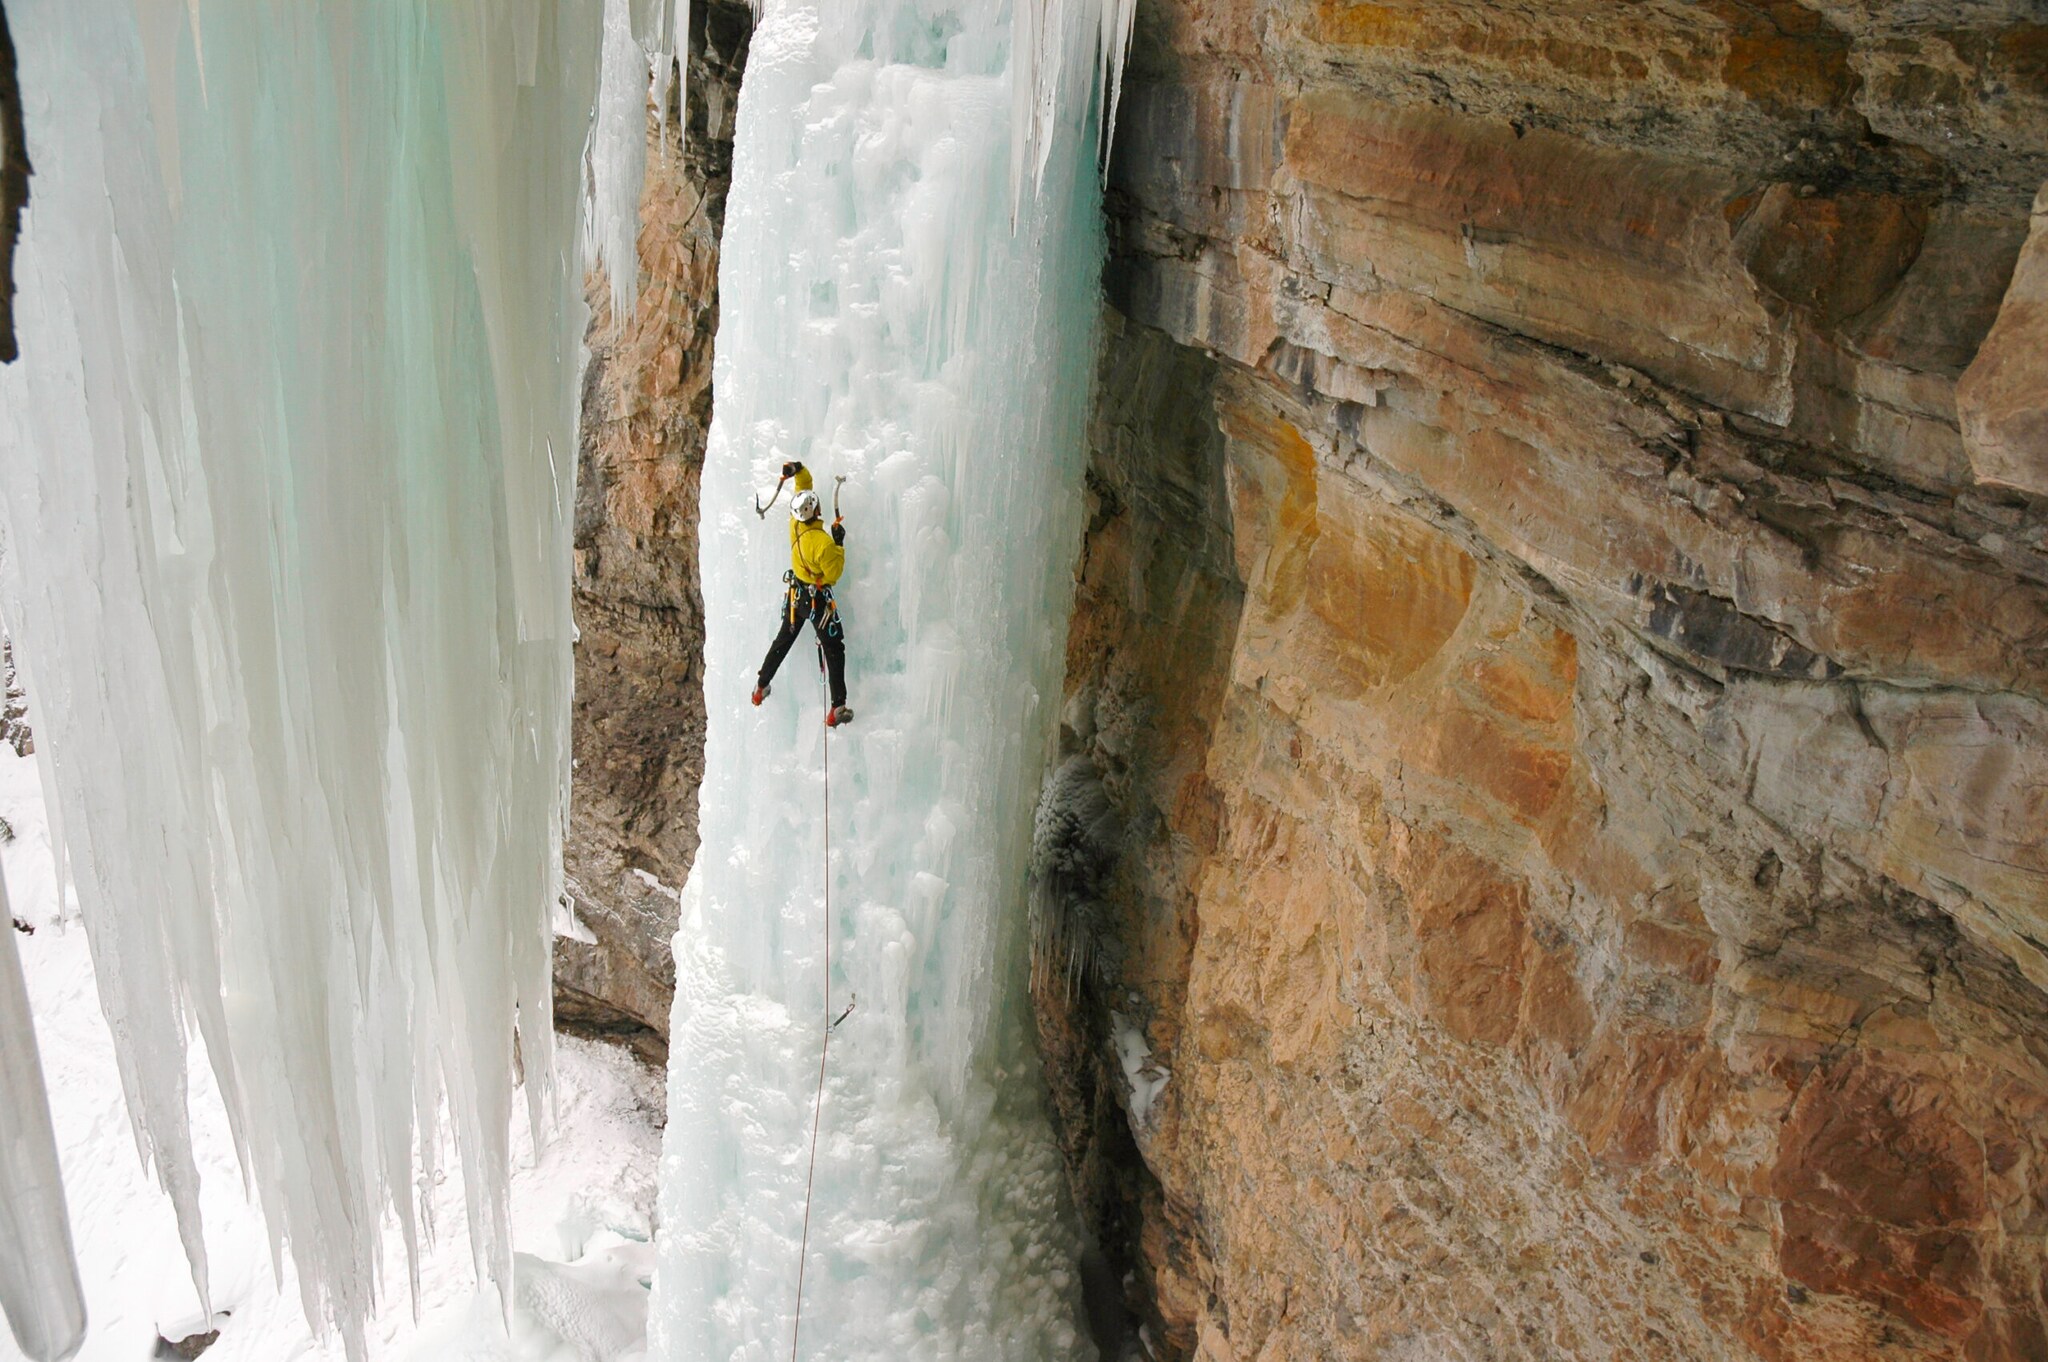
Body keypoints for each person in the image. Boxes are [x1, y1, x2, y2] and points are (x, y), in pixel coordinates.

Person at [752, 460, 852, 727]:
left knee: (783, 640)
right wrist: (839, 543)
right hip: (818, 602)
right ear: (817, 510)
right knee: (834, 648)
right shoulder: (823, 544)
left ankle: (760, 687)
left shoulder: (794, 525)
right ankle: (837, 707)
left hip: (797, 597)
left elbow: (803, 486)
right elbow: (833, 575)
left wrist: (798, 469)